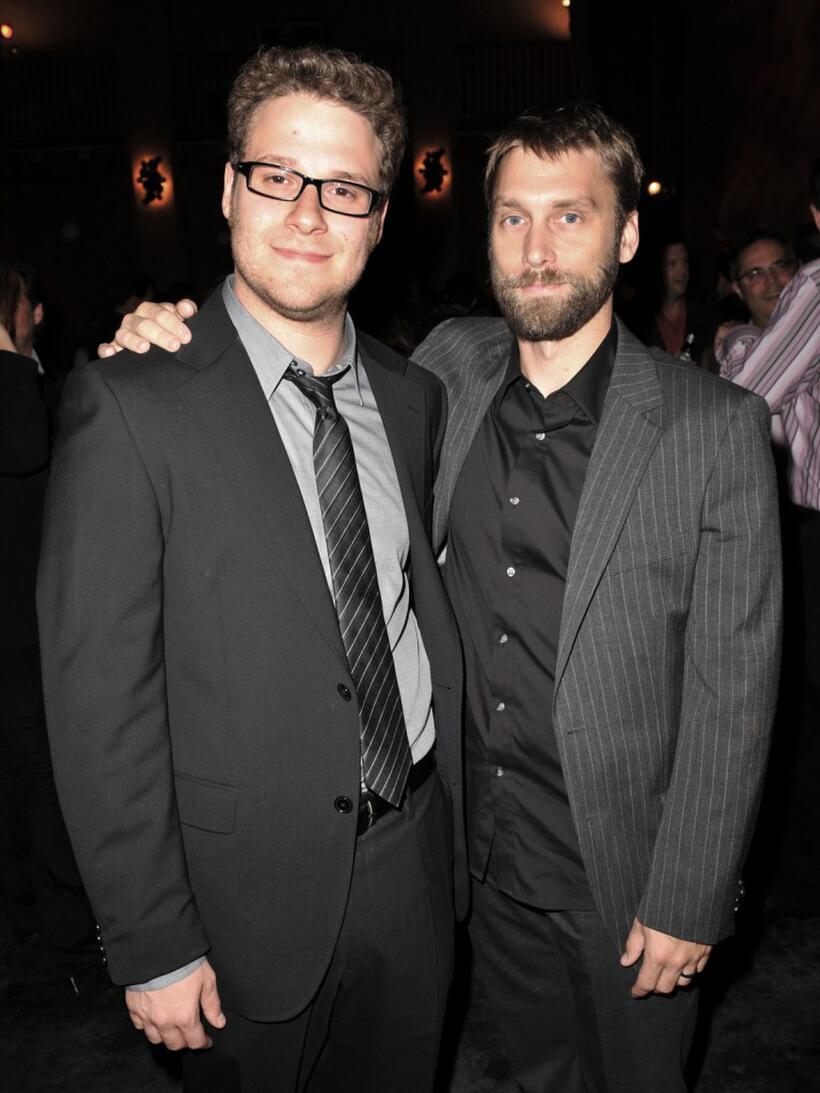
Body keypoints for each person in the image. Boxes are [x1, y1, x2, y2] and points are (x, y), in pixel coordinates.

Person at [107, 103, 782, 1092]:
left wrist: (688, 891)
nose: (537, 247)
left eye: (570, 215)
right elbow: (287, 378)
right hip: (472, 865)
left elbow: (735, 689)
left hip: (627, 880)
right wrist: (168, 334)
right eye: (513, 217)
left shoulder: (714, 428)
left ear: (627, 234)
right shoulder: (440, 373)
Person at [37, 46, 465, 1093]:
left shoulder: (413, 399)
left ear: (377, 216)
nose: (308, 214)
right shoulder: (132, 403)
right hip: (238, 902)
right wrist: (151, 938)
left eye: (344, 189)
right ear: (228, 187)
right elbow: (100, 704)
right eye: (276, 175)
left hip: (414, 861)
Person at [718, 193, 820, 919]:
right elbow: (747, 402)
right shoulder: (743, 346)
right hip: (782, 534)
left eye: (779, 268)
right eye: (753, 275)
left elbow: (748, 396)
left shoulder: (780, 325)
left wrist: (734, 348)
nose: (773, 283)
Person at [0, 264, 100, 995]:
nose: (39, 311)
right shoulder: (13, 388)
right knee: (38, 785)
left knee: (45, 782)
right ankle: (61, 945)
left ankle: (56, 932)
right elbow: (25, 447)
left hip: (44, 618)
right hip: (14, 633)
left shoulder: (50, 379)